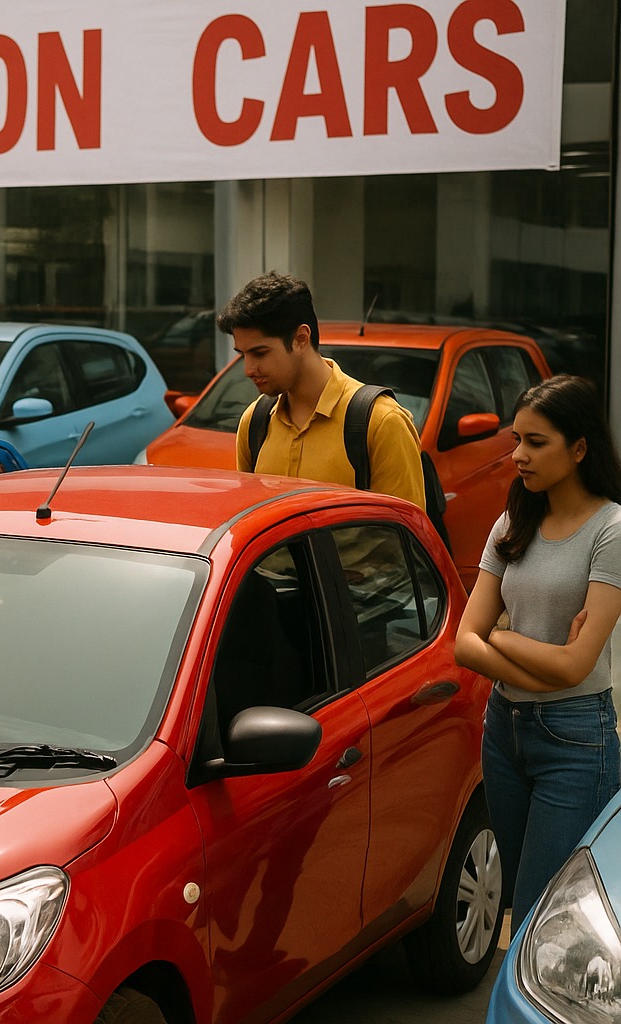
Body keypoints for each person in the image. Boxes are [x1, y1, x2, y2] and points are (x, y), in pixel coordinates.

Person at [455, 374, 621, 926]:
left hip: (575, 740)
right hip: (504, 730)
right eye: (516, 441)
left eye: (536, 442)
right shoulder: (513, 523)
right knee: (519, 908)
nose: (519, 456)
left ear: (579, 448)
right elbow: (464, 643)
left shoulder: (611, 530)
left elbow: (576, 668)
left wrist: (498, 633)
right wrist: (517, 649)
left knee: (539, 916)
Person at [219, 271, 426, 509]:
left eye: (259, 353)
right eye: (242, 354)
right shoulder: (255, 422)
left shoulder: (381, 423)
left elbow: (405, 536)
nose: (248, 369)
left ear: (301, 338)